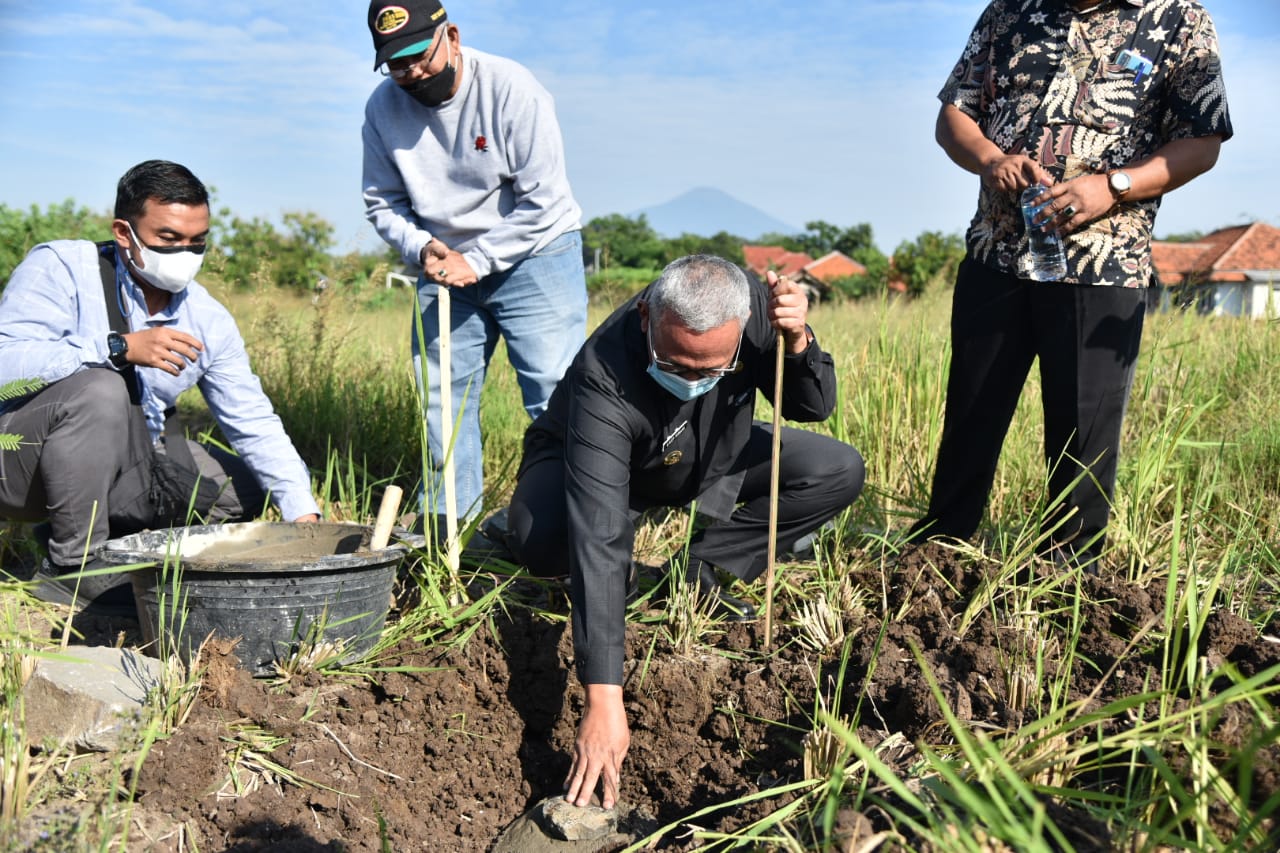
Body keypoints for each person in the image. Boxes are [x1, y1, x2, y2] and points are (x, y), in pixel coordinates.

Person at [505, 254, 865, 808]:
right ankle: (533, 531)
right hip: (604, 463)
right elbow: (599, 535)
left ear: (742, 329)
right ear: (647, 316)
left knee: (836, 468)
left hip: (711, 452)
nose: (691, 380)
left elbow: (811, 406)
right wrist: (604, 699)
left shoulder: (759, 311)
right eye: (675, 364)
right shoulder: (605, 372)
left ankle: (703, 566)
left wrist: (798, 342)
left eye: (710, 371)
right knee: (541, 540)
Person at [908, 0, 1232, 567]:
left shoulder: (1178, 18)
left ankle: (1068, 580)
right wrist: (989, 158)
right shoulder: (1009, 11)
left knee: (1083, 437)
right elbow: (954, 115)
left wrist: (1114, 186)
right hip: (996, 253)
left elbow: (1201, 143)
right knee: (970, 417)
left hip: (1102, 265)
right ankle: (937, 558)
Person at [0, 159, 321, 607]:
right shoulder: (61, 268)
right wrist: (117, 348)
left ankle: (102, 533)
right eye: (168, 239)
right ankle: (71, 567)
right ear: (123, 232)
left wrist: (302, 510)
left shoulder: (207, 318)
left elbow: (252, 419)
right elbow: (6, 364)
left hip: (129, 461)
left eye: (197, 242)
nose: (183, 254)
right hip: (20, 462)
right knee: (101, 388)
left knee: (248, 485)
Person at [362, 0, 588, 528]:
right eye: (397, 63)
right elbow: (381, 200)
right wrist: (421, 247)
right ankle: (451, 531)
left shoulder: (511, 88)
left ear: (453, 37)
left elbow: (545, 201)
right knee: (443, 403)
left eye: (419, 54)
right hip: (443, 265)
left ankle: (572, 525)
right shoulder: (381, 109)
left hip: (535, 256)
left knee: (557, 396)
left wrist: (480, 259)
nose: (412, 72)